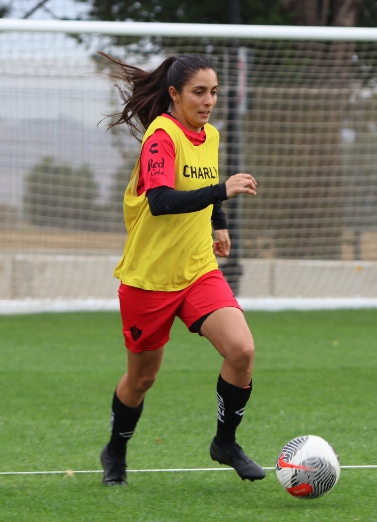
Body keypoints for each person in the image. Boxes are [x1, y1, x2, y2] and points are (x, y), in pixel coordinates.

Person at [98, 52, 264, 485]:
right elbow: (161, 200)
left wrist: (218, 222)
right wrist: (222, 193)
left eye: (214, 92)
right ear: (174, 94)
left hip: (197, 269)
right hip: (149, 279)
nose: (208, 101)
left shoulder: (210, 135)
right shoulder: (161, 136)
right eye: (199, 92)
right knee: (142, 378)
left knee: (241, 351)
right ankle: (115, 449)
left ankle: (225, 444)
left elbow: (202, 183)